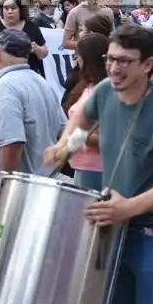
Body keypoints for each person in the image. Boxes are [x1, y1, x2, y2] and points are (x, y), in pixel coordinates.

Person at [47, 25, 153, 304]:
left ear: (148, 64)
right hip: (111, 230)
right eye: (110, 59)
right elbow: (82, 123)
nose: (114, 68)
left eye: (124, 61)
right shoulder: (104, 91)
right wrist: (64, 148)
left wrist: (130, 207)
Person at [0, 30, 67, 233]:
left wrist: (6, 184)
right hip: (33, 189)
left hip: (12, 200)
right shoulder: (39, 81)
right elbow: (64, 131)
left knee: (3, 257)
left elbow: (12, 143)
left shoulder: (7, 87)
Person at [50, 33, 109, 191]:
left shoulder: (103, 91)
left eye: (77, 56)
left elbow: (103, 139)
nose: (76, 60)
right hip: (85, 166)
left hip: (96, 167)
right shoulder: (90, 86)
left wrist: (68, 146)